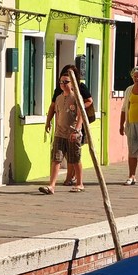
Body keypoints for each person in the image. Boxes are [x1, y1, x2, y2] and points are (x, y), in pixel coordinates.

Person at [40, 65, 93, 194]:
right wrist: (48, 122)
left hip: (73, 133)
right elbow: (53, 109)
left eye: (66, 82)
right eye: (61, 82)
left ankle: (79, 183)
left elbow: (81, 113)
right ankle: (51, 186)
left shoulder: (77, 96)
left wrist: (77, 129)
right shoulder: (58, 97)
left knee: (74, 159)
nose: (63, 84)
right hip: (59, 132)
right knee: (56, 159)